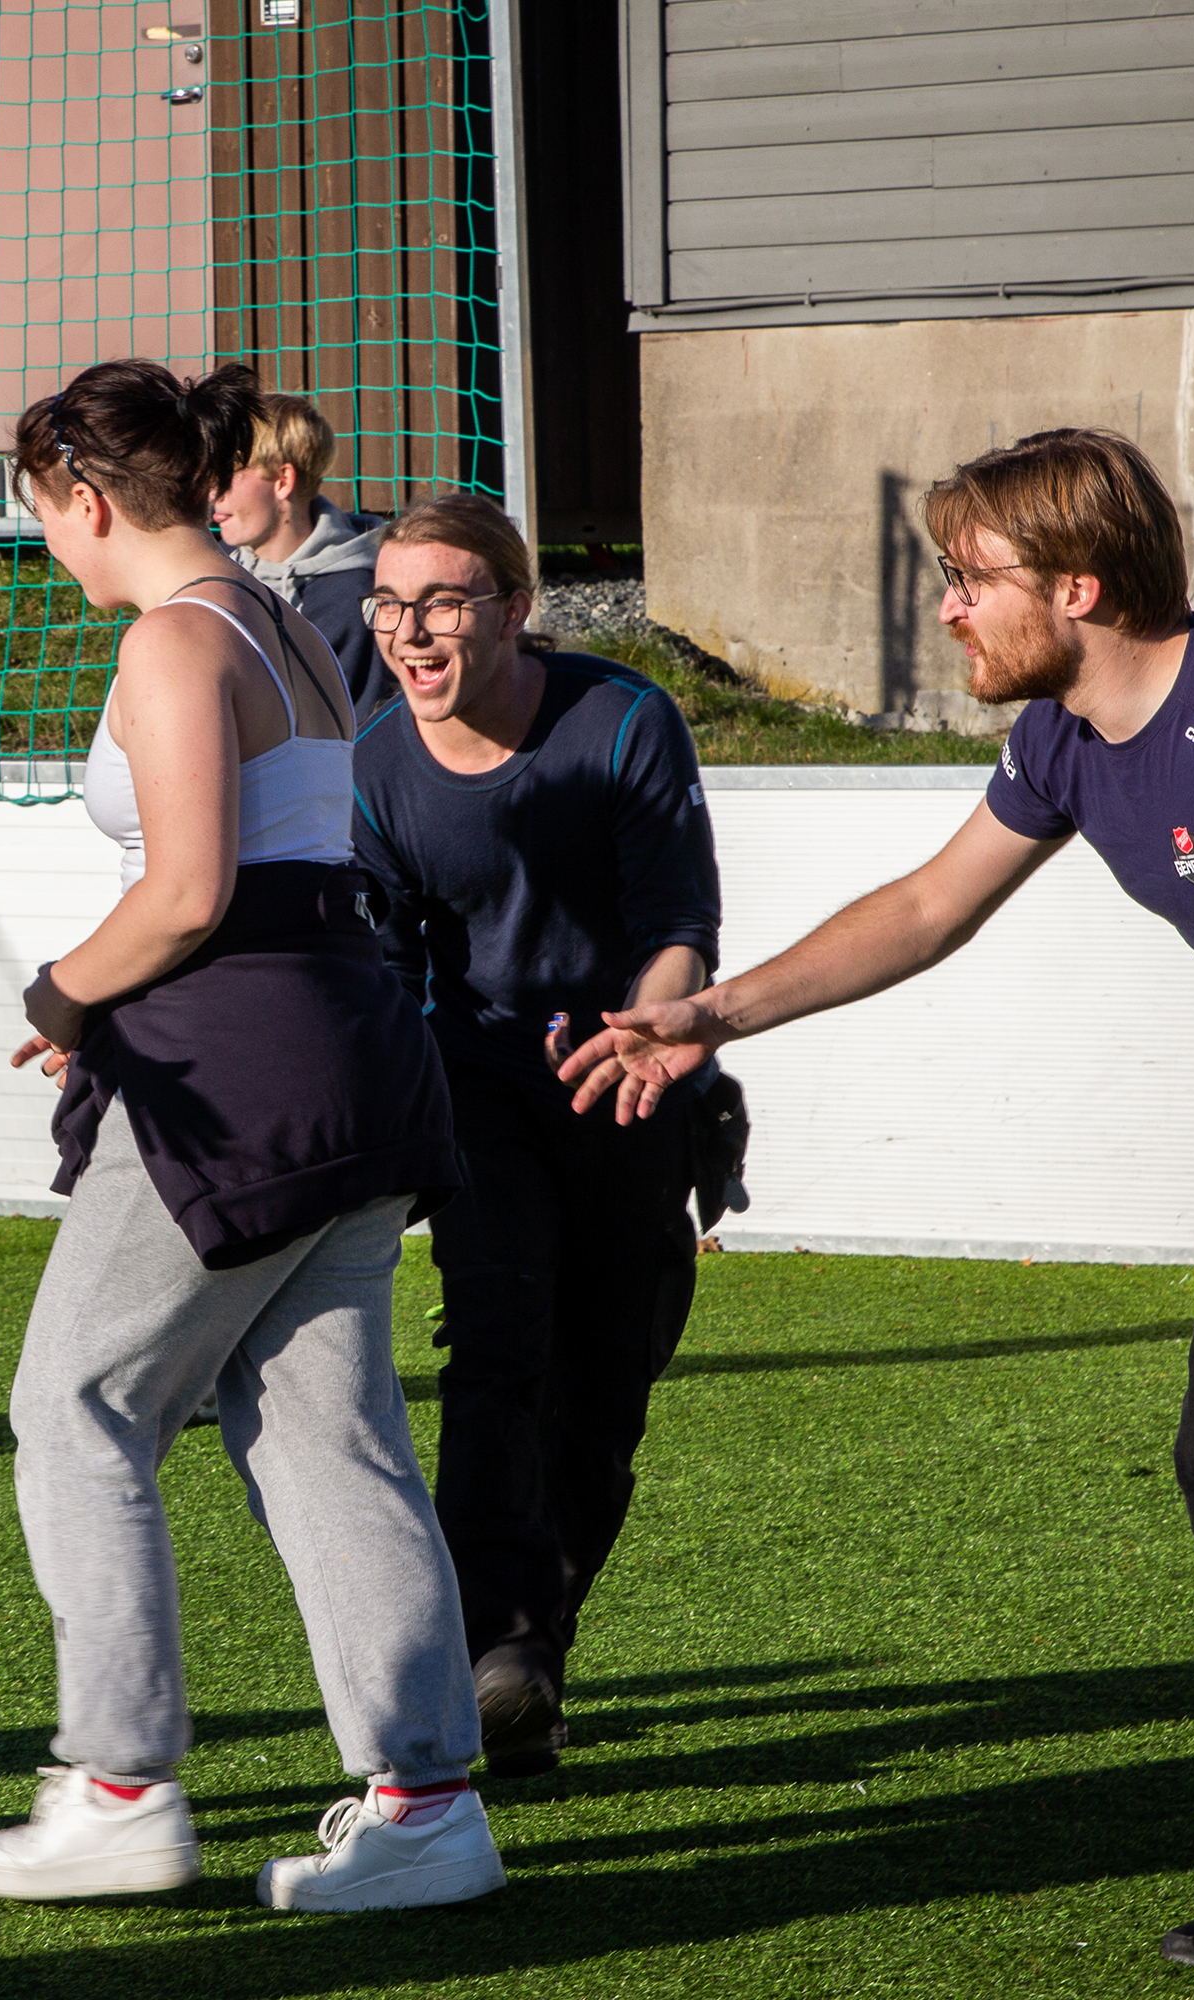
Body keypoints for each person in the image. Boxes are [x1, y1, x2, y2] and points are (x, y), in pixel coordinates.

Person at [577, 428, 1194, 1989]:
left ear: (1081, 583)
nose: (948, 610)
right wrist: (707, 1017)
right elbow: (926, 908)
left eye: (969, 578)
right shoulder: (1062, 734)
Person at [0, 358, 505, 1914]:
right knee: (332, 1442)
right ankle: (428, 1803)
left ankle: (118, 1786)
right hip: (354, 1062)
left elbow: (189, 890)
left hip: (238, 1077)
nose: (43, 541)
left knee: (77, 1406)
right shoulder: (283, 622)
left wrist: (60, 995)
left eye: (39, 511)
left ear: (85, 494)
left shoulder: (176, 639)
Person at [346, 491, 723, 1779]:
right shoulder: (376, 762)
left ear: (516, 608)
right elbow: (387, 966)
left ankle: (534, 1655)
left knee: (606, 1384)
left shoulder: (622, 721)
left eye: (440, 600)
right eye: (389, 603)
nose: (408, 629)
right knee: (499, 1349)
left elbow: (681, 920)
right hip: (479, 1089)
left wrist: (658, 1039)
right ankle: (490, 1654)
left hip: (630, 1076)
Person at [213, 391, 389, 715]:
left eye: (231, 474)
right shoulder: (215, 571)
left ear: (282, 480)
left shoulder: (351, 597)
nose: (213, 490)